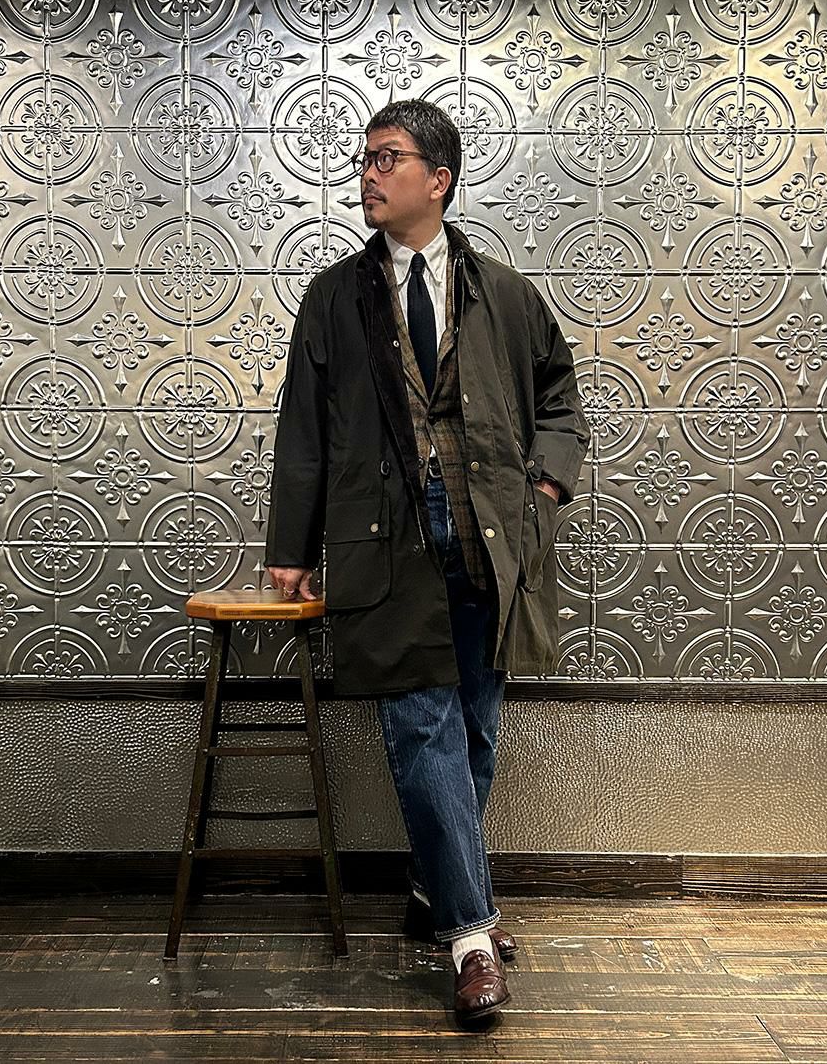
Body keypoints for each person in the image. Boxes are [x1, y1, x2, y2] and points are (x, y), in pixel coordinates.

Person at [265, 99, 589, 1023]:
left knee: (475, 732)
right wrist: (292, 546)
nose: (367, 174)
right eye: (365, 159)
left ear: (438, 179)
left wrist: (544, 491)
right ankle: (471, 938)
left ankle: (431, 891)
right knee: (423, 734)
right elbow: (303, 426)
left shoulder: (505, 294)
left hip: (491, 541)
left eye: (388, 158)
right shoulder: (334, 296)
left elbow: (560, 400)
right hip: (385, 543)